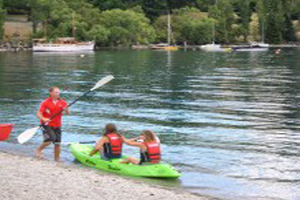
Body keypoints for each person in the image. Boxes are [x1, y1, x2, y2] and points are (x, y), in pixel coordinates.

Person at [35, 86, 70, 162]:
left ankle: (57, 159)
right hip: (46, 124)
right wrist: (43, 118)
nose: (58, 94)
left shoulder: (63, 102)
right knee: (50, 139)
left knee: (57, 143)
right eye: (56, 92)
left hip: (57, 125)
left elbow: (67, 113)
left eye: (58, 92)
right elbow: (38, 113)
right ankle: (38, 149)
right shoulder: (46, 102)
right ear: (50, 93)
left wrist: (66, 109)